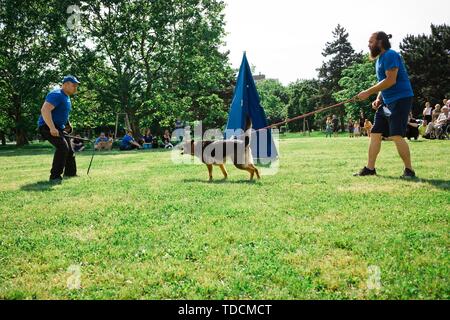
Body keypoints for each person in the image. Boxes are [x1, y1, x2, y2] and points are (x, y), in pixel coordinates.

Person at [356, 31, 415, 179]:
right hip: (387, 102)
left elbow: (391, 80)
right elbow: (384, 83)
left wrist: (368, 92)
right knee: (375, 134)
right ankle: (370, 168)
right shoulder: (379, 60)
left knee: (396, 135)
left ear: (380, 42)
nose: (368, 45)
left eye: (371, 41)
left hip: (401, 99)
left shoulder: (390, 55)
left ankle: (409, 170)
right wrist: (378, 98)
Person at [38, 75, 80, 183]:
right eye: (73, 85)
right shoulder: (56, 94)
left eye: (76, 86)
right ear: (65, 85)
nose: (76, 88)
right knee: (63, 148)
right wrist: (52, 127)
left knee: (70, 149)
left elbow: (62, 113)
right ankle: (55, 176)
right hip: (47, 126)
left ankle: (70, 173)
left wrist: (68, 124)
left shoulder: (66, 97)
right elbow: (45, 110)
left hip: (59, 127)